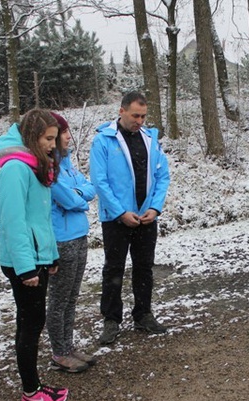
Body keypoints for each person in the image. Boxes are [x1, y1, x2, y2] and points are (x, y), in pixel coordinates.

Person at [0, 109, 69, 401]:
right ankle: (31, 391)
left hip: (36, 256)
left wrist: (50, 255)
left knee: (33, 322)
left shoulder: (33, 165)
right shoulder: (15, 169)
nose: (53, 144)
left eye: (54, 138)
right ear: (31, 137)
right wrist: (26, 268)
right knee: (30, 323)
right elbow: (13, 221)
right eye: (48, 138)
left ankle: (33, 386)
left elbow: (40, 219)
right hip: (22, 261)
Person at [90, 91, 171, 345]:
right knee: (113, 268)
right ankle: (111, 320)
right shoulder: (103, 141)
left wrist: (155, 209)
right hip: (116, 219)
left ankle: (143, 314)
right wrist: (120, 212)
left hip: (146, 217)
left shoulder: (150, 139)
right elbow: (100, 182)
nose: (140, 120)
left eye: (143, 116)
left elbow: (162, 177)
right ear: (121, 111)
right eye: (135, 115)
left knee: (144, 267)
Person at [46, 113, 98, 373]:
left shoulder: (66, 164)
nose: (68, 136)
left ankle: (68, 346)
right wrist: (79, 195)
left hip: (79, 235)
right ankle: (59, 352)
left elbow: (90, 188)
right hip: (62, 240)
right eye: (63, 132)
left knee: (72, 296)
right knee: (59, 298)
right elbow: (69, 199)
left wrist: (78, 193)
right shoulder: (47, 168)